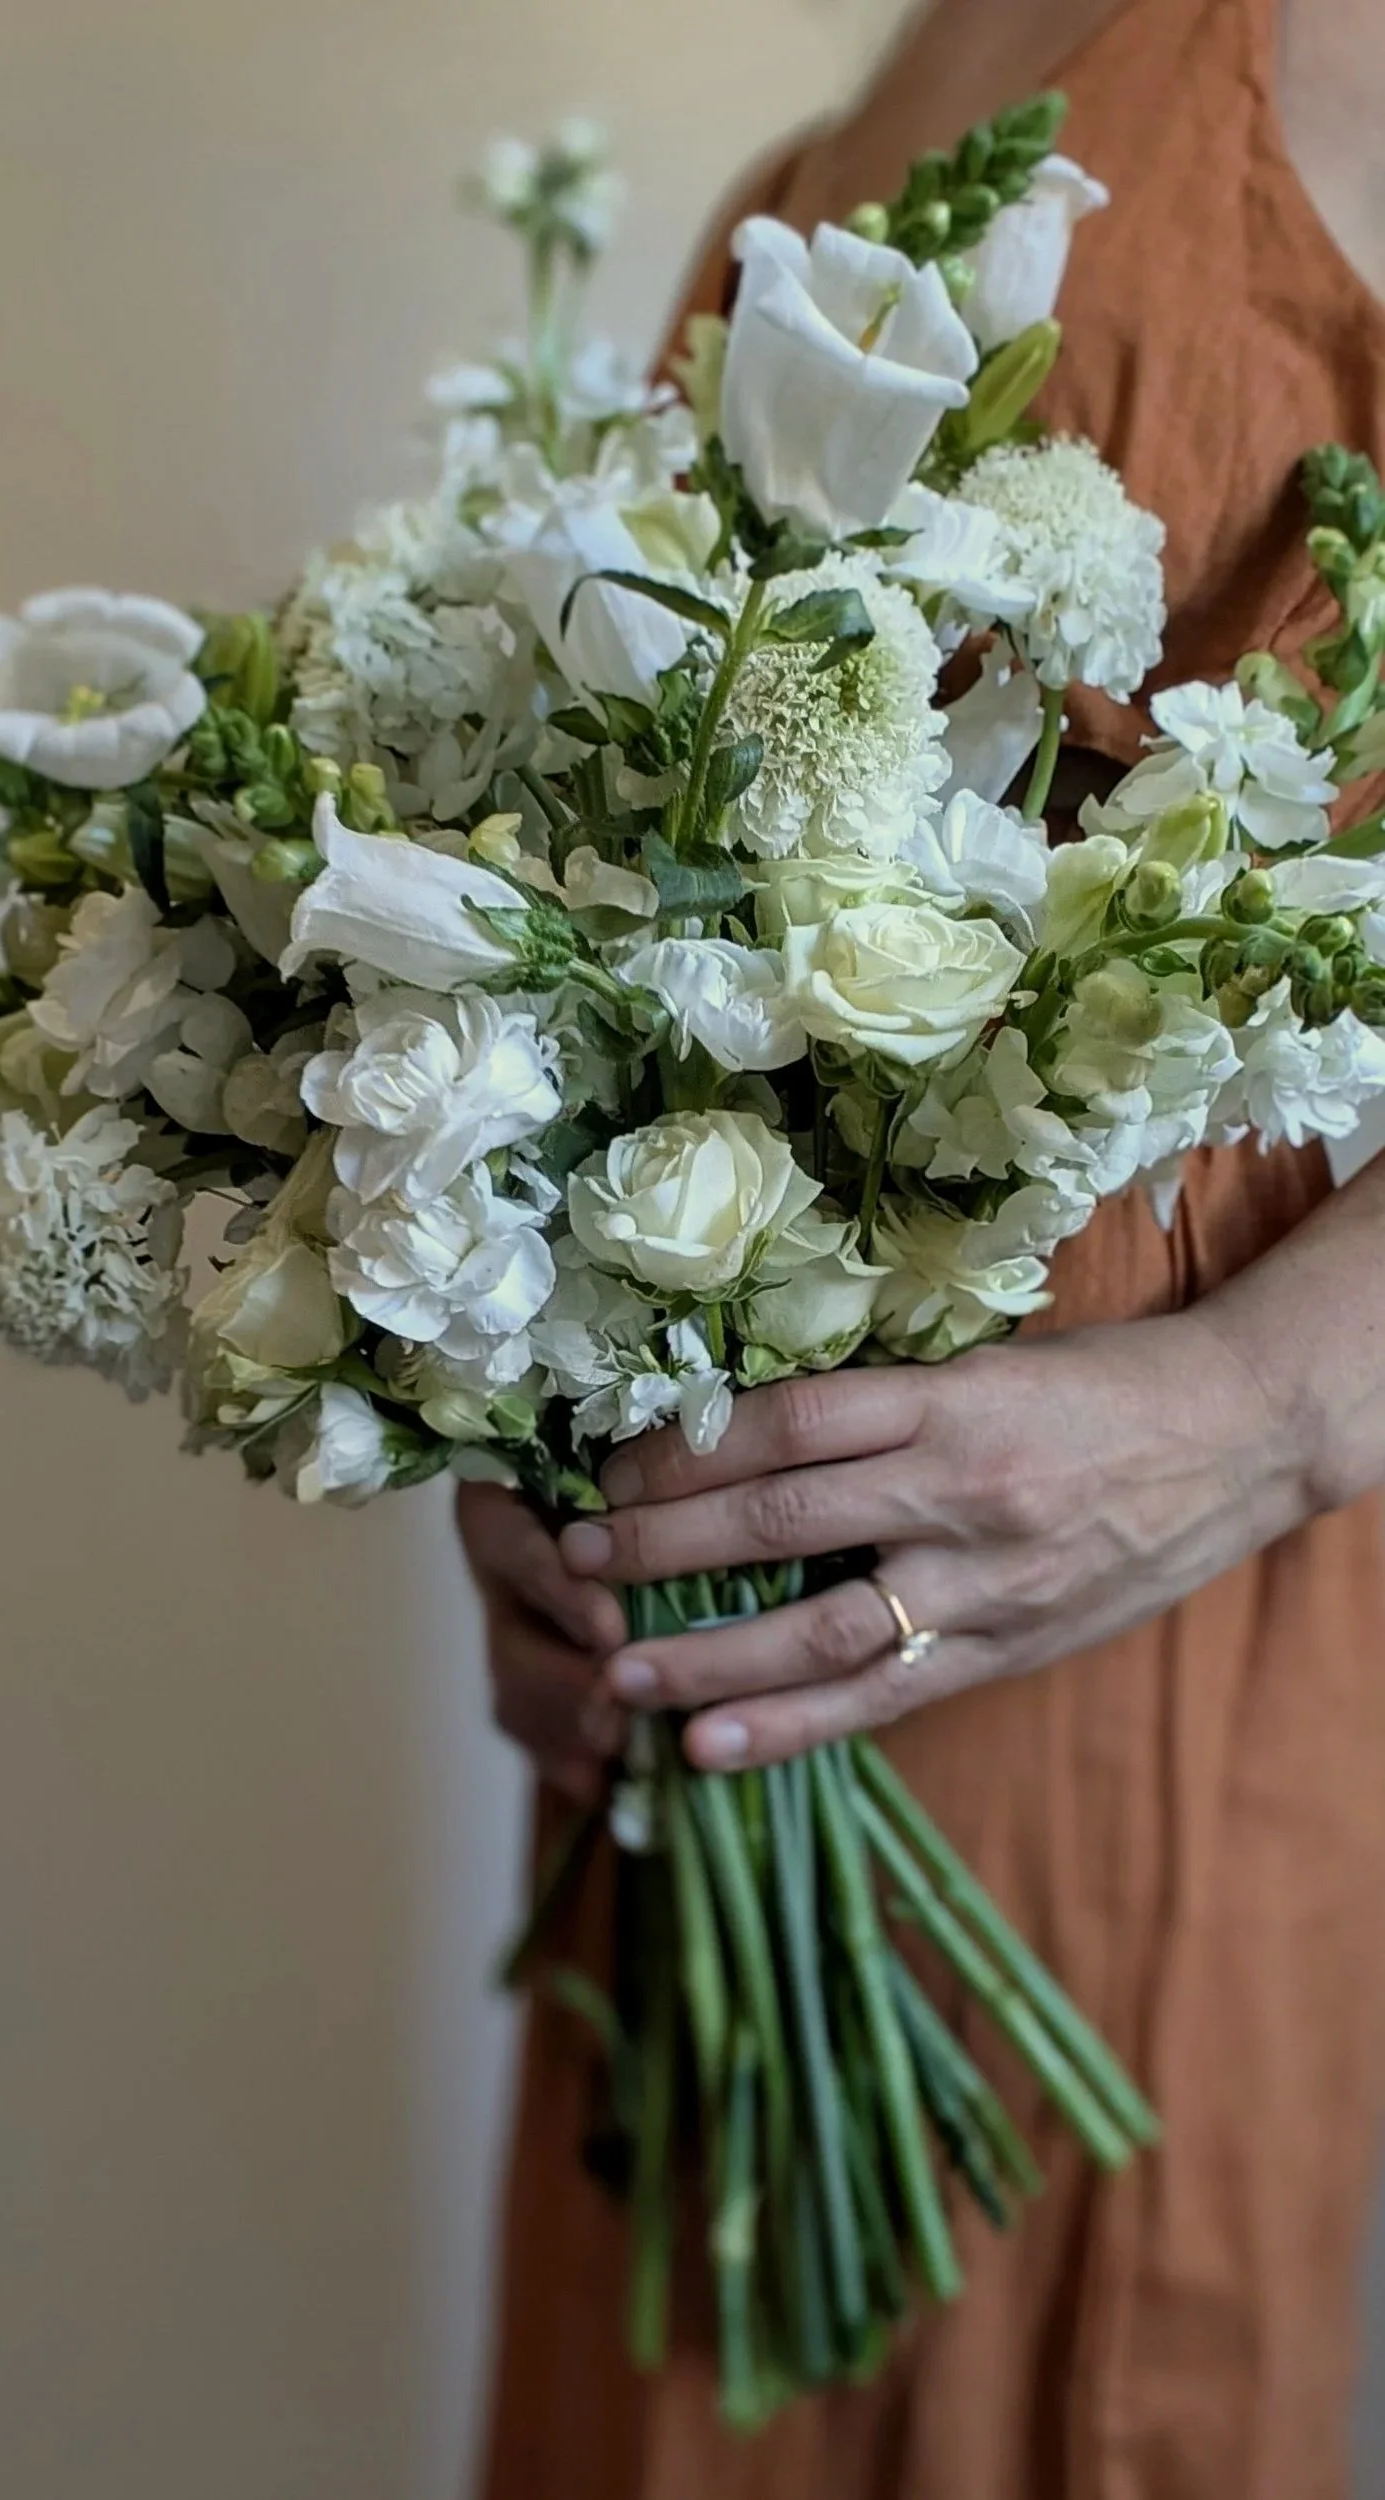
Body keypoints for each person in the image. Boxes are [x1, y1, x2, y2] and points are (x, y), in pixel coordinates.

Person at [463, 0, 1385, 2492]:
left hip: (1158, 1670)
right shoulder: (887, 102)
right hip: (730, 1777)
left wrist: (1281, 1395)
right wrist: (528, 1414)